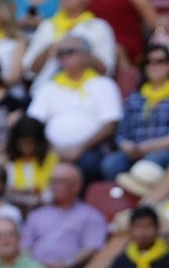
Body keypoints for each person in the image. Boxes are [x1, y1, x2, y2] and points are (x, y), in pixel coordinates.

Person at [25, 36, 122, 180]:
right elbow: (33, 123)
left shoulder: (103, 84)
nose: (63, 56)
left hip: (91, 149)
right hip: (50, 149)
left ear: (86, 56)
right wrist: (51, 148)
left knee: (90, 163)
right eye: (60, 53)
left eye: (69, 51)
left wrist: (79, 149)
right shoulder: (49, 87)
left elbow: (110, 125)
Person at [101, 44, 169, 180]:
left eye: (160, 61)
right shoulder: (135, 97)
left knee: (148, 165)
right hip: (135, 151)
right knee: (111, 164)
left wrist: (148, 147)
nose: (154, 66)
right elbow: (121, 134)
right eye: (149, 62)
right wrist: (127, 146)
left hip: (166, 149)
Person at [20, 163, 108, 268]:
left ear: (76, 186)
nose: (54, 186)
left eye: (60, 181)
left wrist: (65, 264)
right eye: (52, 181)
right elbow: (24, 246)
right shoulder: (36, 214)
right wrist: (35, 267)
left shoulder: (90, 216)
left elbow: (92, 248)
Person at [21, 0, 117, 93]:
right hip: (45, 92)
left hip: (87, 94)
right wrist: (48, 50)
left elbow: (107, 70)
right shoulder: (48, 26)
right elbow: (28, 71)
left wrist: (78, 52)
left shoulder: (98, 27)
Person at [4, 116, 59, 210]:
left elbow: (55, 192)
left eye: (31, 143)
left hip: (46, 209)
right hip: (15, 209)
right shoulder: (8, 162)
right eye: (22, 143)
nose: (27, 147)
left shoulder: (52, 161)